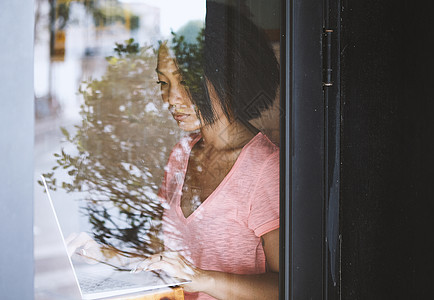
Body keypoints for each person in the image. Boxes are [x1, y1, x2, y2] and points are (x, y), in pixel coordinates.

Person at [69, 3, 280, 299]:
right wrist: (102, 254)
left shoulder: (266, 169)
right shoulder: (182, 155)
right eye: (163, 83)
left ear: (226, 77)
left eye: (186, 81)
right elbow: (164, 263)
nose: (171, 98)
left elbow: (290, 287)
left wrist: (202, 279)